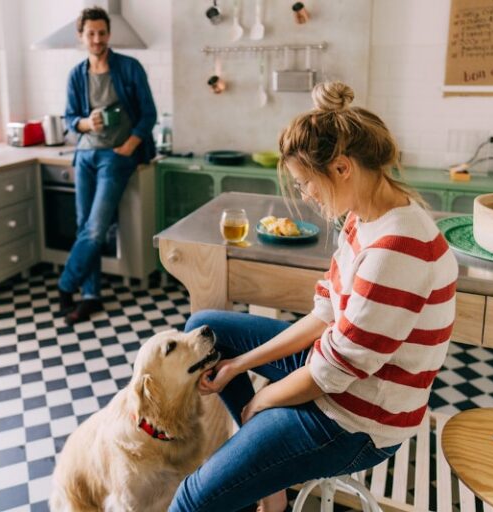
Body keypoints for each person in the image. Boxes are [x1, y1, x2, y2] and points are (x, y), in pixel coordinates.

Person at [168, 81, 458, 512]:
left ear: (342, 168)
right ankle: (271, 487)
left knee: (192, 498)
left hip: (357, 421)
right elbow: (325, 314)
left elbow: (332, 374)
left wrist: (261, 402)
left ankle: (264, 465)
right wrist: (238, 366)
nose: (305, 196)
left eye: (306, 183)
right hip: (338, 376)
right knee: (207, 331)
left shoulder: (395, 252)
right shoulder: (367, 216)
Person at [58, 6, 157, 324]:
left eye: (102, 33)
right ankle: (91, 295)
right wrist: (87, 123)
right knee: (84, 226)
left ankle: (65, 284)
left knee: (96, 227)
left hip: (115, 158)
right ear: (81, 36)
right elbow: (70, 119)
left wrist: (129, 145)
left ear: (109, 34)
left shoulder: (129, 68)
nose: (97, 39)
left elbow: (148, 114)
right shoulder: (76, 74)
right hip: (85, 156)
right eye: (91, 34)